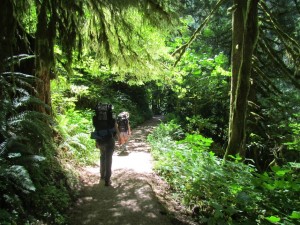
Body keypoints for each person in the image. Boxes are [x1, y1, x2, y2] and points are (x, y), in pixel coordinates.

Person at [92, 103, 117, 186]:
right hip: (109, 139)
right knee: (108, 159)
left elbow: (95, 128)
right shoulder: (111, 116)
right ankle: (107, 179)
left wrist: (96, 141)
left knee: (102, 157)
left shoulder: (96, 117)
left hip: (100, 140)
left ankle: (102, 175)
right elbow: (114, 127)